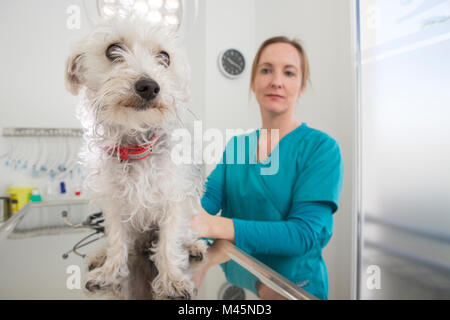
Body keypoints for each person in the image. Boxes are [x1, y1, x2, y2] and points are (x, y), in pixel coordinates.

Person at [190, 36, 344, 300]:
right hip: (249, 281)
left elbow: (303, 234)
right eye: (266, 70)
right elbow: (205, 204)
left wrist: (216, 229)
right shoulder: (238, 146)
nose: (276, 81)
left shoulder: (321, 149)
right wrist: (197, 256)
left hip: (295, 289)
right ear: (253, 81)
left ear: (302, 85)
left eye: (289, 72)